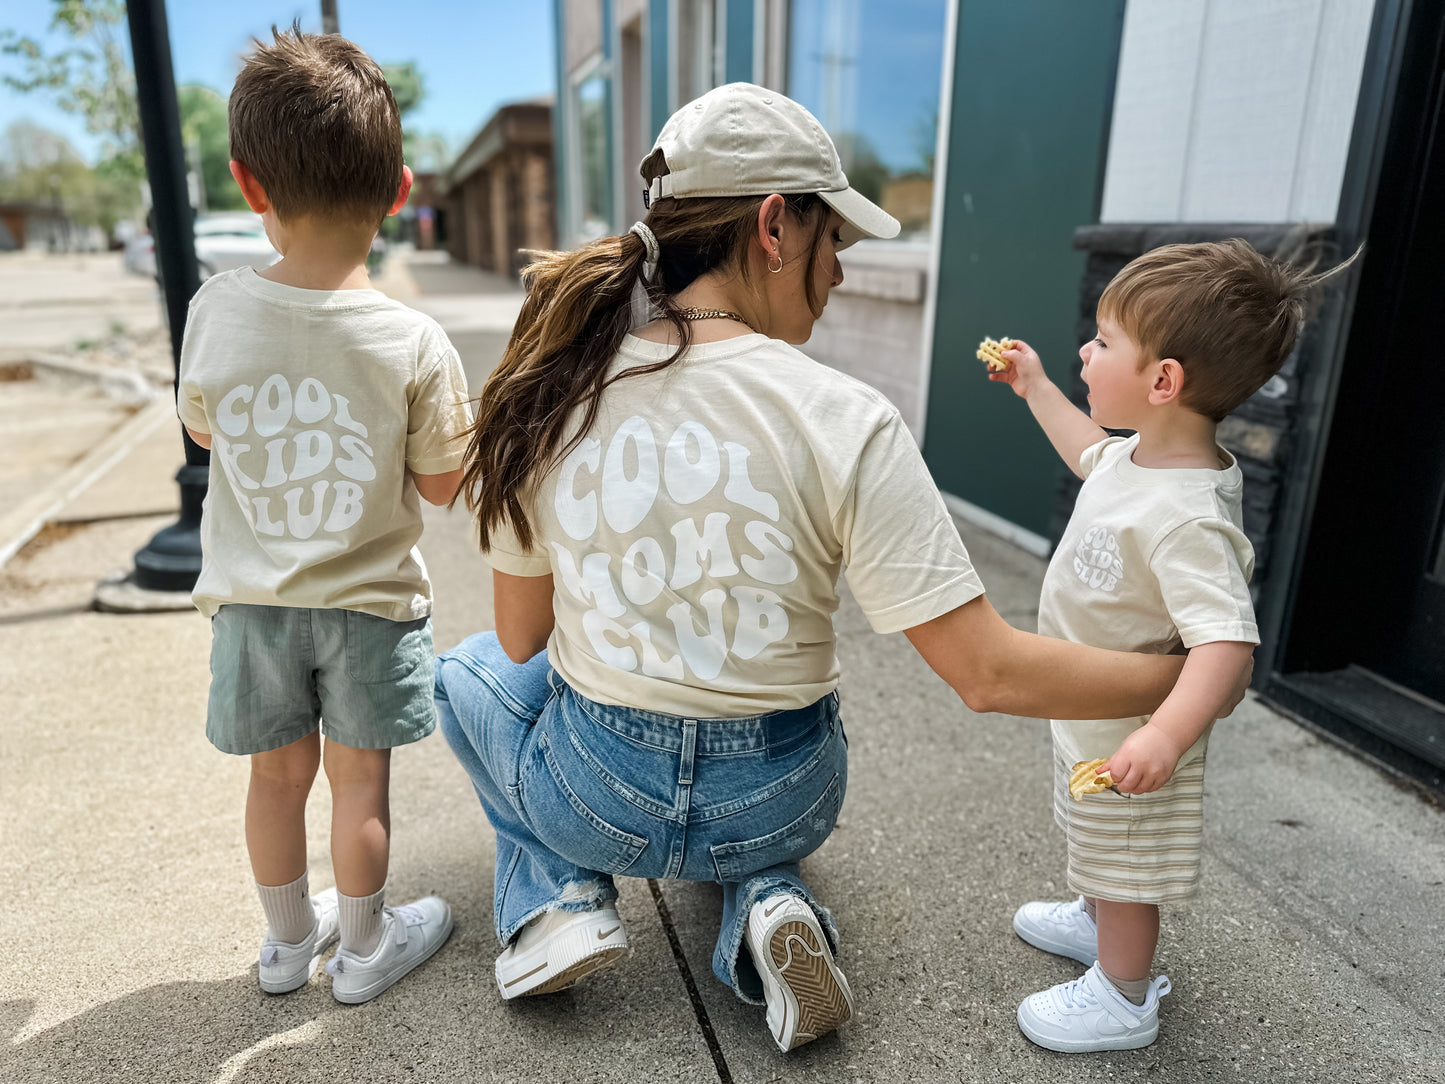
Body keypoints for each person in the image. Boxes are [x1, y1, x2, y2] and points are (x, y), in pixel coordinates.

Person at [434, 83, 1244, 1052]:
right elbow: (983, 674)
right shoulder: (845, 415)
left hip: (599, 797)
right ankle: (767, 898)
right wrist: (1197, 676)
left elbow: (525, 638)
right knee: (754, 777)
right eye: (837, 244)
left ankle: (559, 895)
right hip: (782, 795)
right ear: (775, 226)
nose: (841, 275)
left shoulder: (547, 391)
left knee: (468, 671)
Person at [987, 239, 1340, 1052]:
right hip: (1090, 705)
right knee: (1092, 832)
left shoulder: (1188, 516)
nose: (1084, 348)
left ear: (1161, 382)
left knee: (1128, 857)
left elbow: (1227, 646)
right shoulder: (1137, 456)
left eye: (1103, 340)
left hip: (1135, 725)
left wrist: (1164, 735)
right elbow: (1087, 452)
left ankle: (1123, 995)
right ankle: (1093, 915)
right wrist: (1036, 385)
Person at [177, 28, 470, 1004]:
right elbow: (441, 485)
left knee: (273, 782)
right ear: (400, 190)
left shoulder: (215, 311)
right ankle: (363, 949)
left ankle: (283, 944)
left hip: (254, 607)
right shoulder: (417, 340)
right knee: (359, 786)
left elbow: (208, 433)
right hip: (369, 609)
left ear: (248, 186)